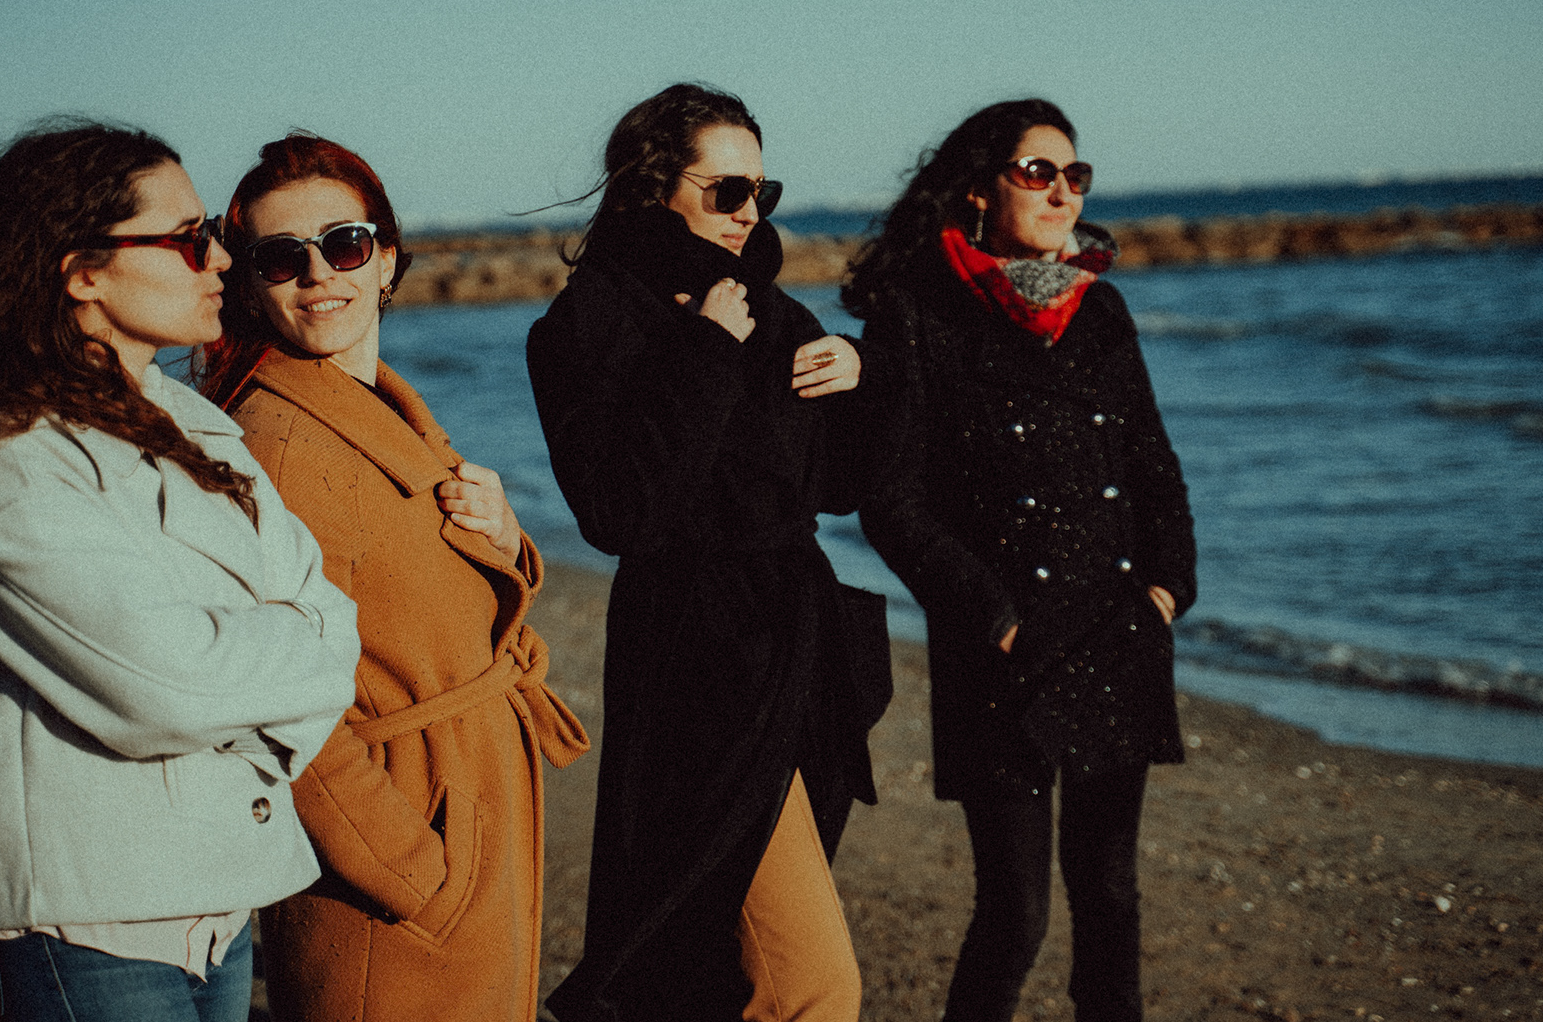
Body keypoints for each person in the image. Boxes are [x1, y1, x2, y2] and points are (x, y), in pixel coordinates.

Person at [0, 121, 362, 1022]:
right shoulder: (7, 463)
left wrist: (250, 660)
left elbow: (333, 620)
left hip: (221, 902)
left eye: (213, 232)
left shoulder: (197, 424)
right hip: (84, 923)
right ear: (82, 272)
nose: (221, 258)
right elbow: (166, 685)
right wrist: (274, 656)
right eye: (189, 239)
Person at [198, 133, 589, 1022]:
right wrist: (413, 871)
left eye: (343, 244)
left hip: (466, 813)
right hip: (399, 867)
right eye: (282, 257)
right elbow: (273, 697)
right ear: (250, 286)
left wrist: (509, 539)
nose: (318, 274)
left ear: (386, 260)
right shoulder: (278, 447)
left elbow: (422, 593)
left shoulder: (377, 400)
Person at [526, 83, 892, 1022]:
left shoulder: (775, 310)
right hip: (696, 665)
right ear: (652, 187)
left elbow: (839, 485)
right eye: (727, 190)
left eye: (762, 192)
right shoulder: (587, 323)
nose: (749, 212)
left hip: (798, 654)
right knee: (809, 986)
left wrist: (864, 378)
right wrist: (703, 351)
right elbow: (618, 512)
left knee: (726, 974)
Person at [844, 99, 1196, 1022]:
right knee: (1016, 915)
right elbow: (891, 500)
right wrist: (990, 615)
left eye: (1075, 175)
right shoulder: (917, 312)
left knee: (1111, 898)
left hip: (1115, 632)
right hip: (1000, 650)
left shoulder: (1099, 307)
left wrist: (1168, 588)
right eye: (1038, 172)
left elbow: (1153, 464)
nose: (1062, 192)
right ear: (978, 188)